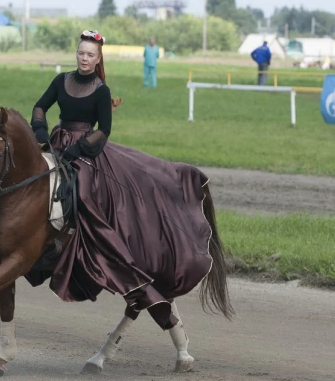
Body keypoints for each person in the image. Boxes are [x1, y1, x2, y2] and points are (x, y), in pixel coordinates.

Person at [29, 30, 216, 331]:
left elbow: (104, 130)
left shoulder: (102, 90)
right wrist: (39, 131)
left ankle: (85, 251)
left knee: (84, 193)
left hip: (87, 151)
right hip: (56, 143)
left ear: (98, 58)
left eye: (90, 55)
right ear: (75, 54)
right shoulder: (60, 80)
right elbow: (40, 106)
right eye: (80, 53)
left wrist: (78, 149)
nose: (84, 59)